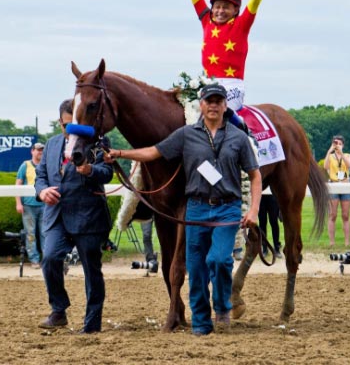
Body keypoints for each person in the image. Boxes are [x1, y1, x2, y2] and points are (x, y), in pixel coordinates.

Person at [105, 83, 262, 336]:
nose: (213, 105)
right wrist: (120, 153)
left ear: (224, 106)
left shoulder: (238, 137)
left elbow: (255, 176)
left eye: (217, 101)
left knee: (219, 260)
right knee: (197, 268)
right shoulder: (186, 135)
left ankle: (222, 305)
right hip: (197, 210)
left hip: (227, 209)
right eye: (208, 101)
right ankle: (200, 322)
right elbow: (153, 153)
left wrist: (253, 210)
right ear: (201, 104)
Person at [35, 99, 114, 334]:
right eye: (67, 126)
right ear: (60, 122)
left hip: (87, 216)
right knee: (50, 258)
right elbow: (41, 176)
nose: (71, 132)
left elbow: (107, 173)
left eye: (76, 126)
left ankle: (92, 323)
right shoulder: (50, 145)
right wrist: (42, 191)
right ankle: (58, 310)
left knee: (92, 270)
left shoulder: (99, 142)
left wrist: (90, 171)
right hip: (57, 215)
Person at [184, 0, 273, 131]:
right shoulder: (206, 21)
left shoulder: (241, 25)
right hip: (207, 86)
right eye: (216, 6)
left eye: (226, 7)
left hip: (233, 88)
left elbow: (255, 0)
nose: (220, 11)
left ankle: (244, 133)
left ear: (235, 11)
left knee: (219, 111)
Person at [15, 142, 46, 268]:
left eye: (42, 150)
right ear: (32, 151)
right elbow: (18, 185)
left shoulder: (46, 165)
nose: (40, 152)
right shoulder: (25, 165)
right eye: (38, 150)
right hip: (28, 205)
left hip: (45, 205)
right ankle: (34, 260)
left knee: (45, 233)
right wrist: (18, 203)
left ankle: (47, 259)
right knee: (30, 234)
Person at [324, 135, 350, 247]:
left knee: (345, 215)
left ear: (343, 145)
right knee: (332, 215)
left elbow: (349, 165)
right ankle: (332, 242)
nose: (338, 146)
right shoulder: (330, 156)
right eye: (336, 144)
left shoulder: (347, 155)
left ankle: (347, 242)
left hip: (345, 185)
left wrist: (341, 153)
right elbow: (326, 166)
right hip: (334, 184)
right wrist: (330, 150)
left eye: (340, 144)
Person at [258, 194, 282, 258]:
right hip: (260, 196)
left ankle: (277, 248)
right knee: (262, 223)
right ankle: (264, 249)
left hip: (272, 196)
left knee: (274, 223)